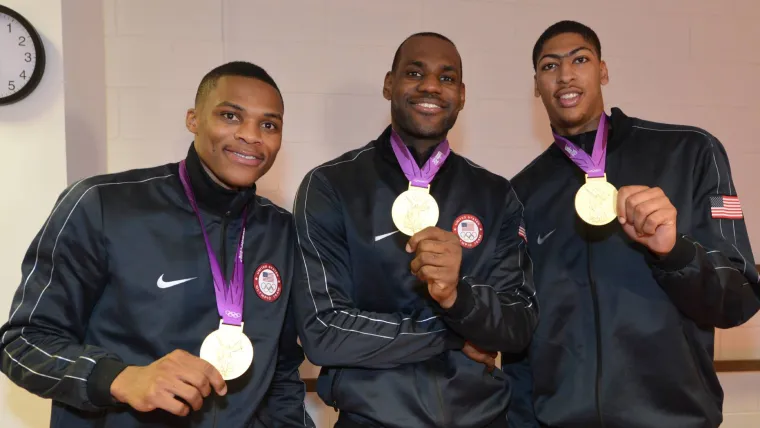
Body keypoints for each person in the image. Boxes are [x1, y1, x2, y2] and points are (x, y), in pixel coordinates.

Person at [0, 61, 314, 428]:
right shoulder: (101, 204)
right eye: (230, 116)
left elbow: (281, 372)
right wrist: (119, 378)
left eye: (268, 124)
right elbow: (23, 343)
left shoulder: (281, 230)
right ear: (193, 119)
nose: (250, 135)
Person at [503, 20, 760, 428]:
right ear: (536, 85)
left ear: (603, 71)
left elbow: (739, 300)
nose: (566, 74)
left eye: (580, 60)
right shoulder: (519, 193)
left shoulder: (689, 151)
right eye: (550, 66)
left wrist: (673, 252)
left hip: (674, 420)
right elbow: (521, 342)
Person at [290, 32, 539, 428]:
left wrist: (460, 297)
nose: (429, 86)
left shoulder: (495, 194)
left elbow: (518, 325)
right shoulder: (332, 186)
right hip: (372, 420)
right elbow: (324, 331)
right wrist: (453, 334)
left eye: (446, 78)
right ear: (390, 83)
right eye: (414, 72)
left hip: (485, 418)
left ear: (461, 93)